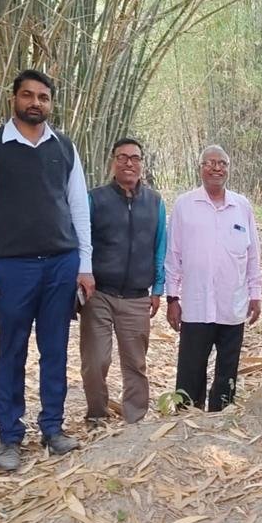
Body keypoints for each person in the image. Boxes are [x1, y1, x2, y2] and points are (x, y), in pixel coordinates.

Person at [0, 69, 94, 471]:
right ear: (14, 99)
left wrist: (85, 265)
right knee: (12, 350)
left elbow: (79, 210)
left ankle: (53, 428)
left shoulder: (65, 147)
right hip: (14, 266)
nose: (35, 103)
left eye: (43, 97)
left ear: (50, 104)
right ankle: (9, 436)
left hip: (61, 263)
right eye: (28, 95)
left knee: (54, 349)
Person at [165, 146, 262, 411]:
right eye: (210, 163)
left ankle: (221, 413)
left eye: (222, 163)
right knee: (191, 364)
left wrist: (256, 294)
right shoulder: (185, 205)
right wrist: (172, 297)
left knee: (228, 365)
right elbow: (173, 256)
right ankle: (186, 412)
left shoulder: (241, 206)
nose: (216, 168)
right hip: (196, 303)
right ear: (200, 167)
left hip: (232, 301)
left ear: (229, 169)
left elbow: (252, 254)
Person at [80, 138, 167, 424]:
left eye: (135, 158)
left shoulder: (155, 203)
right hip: (100, 293)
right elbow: (82, 243)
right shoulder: (95, 199)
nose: (129, 163)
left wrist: (158, 288)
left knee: (135, 364)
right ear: (113, 161)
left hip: (137, 295)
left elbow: (160, 247)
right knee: (96, 361)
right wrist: (82, 276)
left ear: (142, 163)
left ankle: (135, 419)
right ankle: (96, 415)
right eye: (122, 157)